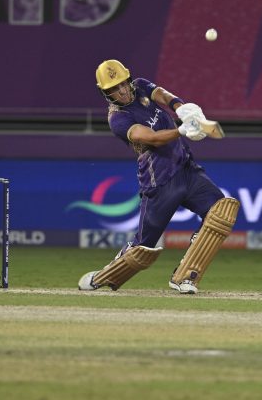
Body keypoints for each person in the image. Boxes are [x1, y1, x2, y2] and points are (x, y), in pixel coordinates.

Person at [78, 59, 240, 294]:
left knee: (220, 211)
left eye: (123, 84)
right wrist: (181, 130)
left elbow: (161, 94)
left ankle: (185, 276)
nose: (121, 91)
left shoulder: (141, 86)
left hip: (186, 168)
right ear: (105, 92)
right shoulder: (118, 119)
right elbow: (151, 138)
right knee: (143, 249)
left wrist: (179, 107)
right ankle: (103, 276)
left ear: (129, 79)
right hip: (160, 182)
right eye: (113, 89)